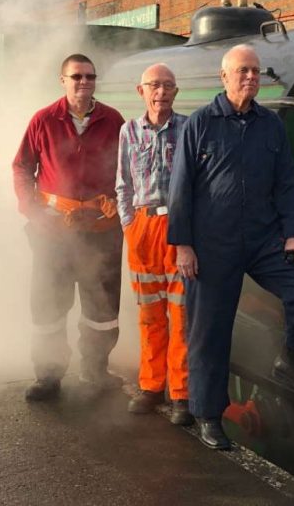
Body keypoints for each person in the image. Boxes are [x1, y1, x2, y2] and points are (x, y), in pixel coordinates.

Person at [168, 45, 294, 450]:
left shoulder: (270, 125)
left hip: (263, 240)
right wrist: (183, 244)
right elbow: (180, 190)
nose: (250, 78)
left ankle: (293, 360)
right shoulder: (201, 124)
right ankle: (208, 415)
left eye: (256, 71)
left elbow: (287, 183)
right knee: (209, 333)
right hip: (212, 244)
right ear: (224, 77)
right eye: (242, 71)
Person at [12, 54, 125, 401]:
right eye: (76, 77)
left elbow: (128, 169)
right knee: (48, 306)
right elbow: (21, 168)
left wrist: (118, 209)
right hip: (53, 234)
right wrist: (33, 211)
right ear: (62, 80)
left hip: (101, 231)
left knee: (102, 308)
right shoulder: (43, 120)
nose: (84, 83)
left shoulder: (113, 120)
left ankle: (95, 369)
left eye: (90, 77)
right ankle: (48, 376)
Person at [115, 63, 193, 426]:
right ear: (140, 91)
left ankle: (181, 393)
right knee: (149, 314)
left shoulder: (189, 128)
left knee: (180, 315)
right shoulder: (128, 131)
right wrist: (129, 225)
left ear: (175, 92)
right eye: (154, 86)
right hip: (143, 227)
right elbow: (122, 185)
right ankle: (150, 386)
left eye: (167, 85)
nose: (160, 92)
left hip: (178, 227)